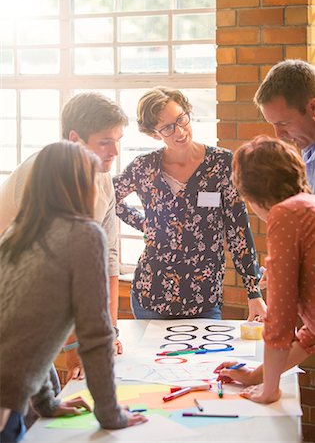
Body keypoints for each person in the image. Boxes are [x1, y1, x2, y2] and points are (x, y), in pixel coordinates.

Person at [0, 142, 147, 442]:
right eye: (93, 178)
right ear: (77, 185)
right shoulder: (84, 235)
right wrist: (109, 413)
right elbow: (95, 335)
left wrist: (47, 403)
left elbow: (26, 331)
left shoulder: (18, 232)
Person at [0, 92, 128, 380]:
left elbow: (107, 258)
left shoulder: (103, 178)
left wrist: (110, 332)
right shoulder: (42, 175)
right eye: (105, 141)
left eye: (118, 140)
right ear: (75, 138)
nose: (115, 152)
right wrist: (75, 349)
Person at [113, 87, 266, 320]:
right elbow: (108, 196)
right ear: (155, 134)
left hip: (204, 300)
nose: (180, 131)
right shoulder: (143, 167)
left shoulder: (222, 163)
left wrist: (253, 292)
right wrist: (143, 223)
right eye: (168, 128)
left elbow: (238, 231)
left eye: (181, 119)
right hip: (150, 296)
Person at [215, 136, 315, 404]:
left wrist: (269, 389)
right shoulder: (306, 207)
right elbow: (310, 335)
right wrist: (256, 375)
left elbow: (280, 317)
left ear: (250, 192)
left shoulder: (286, 213)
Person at [254, 59, 315, 194]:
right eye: (273, 124)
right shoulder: (308, 145)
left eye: (284, 123)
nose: (279, 135)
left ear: (313, 108)